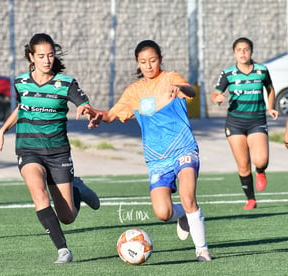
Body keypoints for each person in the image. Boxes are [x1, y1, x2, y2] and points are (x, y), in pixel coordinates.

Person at [85, 40, 211, 261]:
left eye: (153, 60)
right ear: (138, 64)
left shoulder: (171, 78)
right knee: (163, 213)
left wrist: (181, 88)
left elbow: (190, 90)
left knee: (188, 195)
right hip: (157, 159)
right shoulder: (134, 92)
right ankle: (183, 214)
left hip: (183, 148)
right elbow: (112, 114)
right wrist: (97, 113)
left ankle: (201, 250)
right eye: (143, 62)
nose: (149, 65)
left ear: (160, 59)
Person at [0, 33, 100, 264]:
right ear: (31, 57)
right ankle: (63, 250)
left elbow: (85, 104)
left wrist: (87, 111)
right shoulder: (20, 82)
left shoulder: (66, 83)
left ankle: (77, 189)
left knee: (67, 217)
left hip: (58, 152)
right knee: (39, 194)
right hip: (28, 149)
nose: (47, 60)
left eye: (50, 55)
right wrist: (2, 130)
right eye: (41, 56)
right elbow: (22, 108)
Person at [211, 37, 278, 210]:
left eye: (246, 49)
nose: (242, 53)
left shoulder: (262, 71)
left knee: (261, 160)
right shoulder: (228, 74)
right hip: (235, 122)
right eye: (239, 50)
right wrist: (217, 99)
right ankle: (251, 199)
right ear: (234, 53)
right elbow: (215, 93)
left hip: (257, 120)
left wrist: (270, 107)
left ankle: (261, 171)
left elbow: (270, 90)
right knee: (243, 164)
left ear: (251, 52)